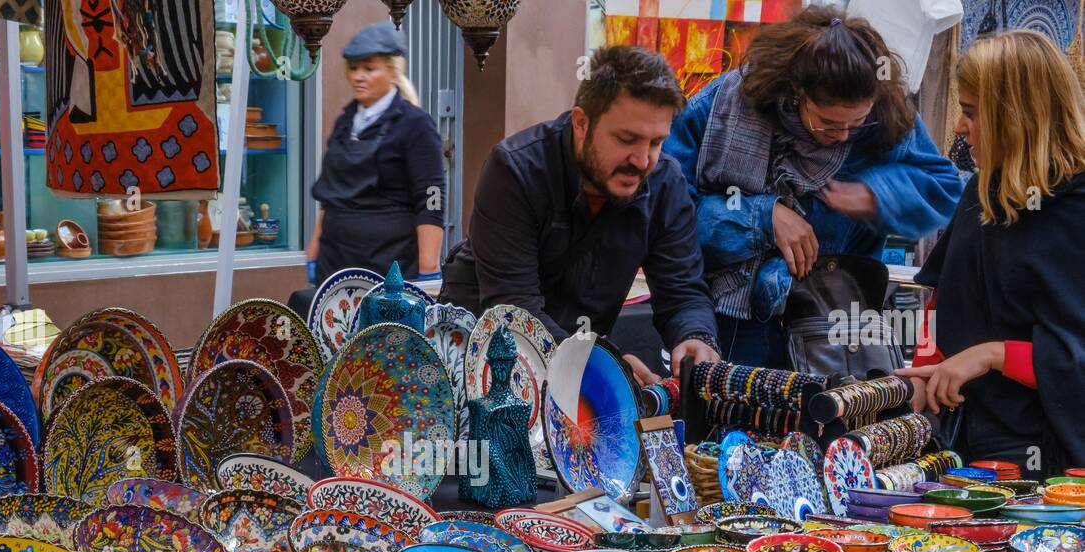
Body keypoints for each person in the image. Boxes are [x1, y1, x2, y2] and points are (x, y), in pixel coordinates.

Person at [664, 6, 963, 369]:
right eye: (828, 123)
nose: (843, 135)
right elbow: (671, 210)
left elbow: (943, 187)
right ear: (796, 90)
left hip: (834, 330)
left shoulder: (888, 117)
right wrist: (762, 216)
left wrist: (878, 194)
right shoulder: (722, 105)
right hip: (729, 324)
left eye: (857, 122)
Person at [440, 46, 721, 385]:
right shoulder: (514, 171)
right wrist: (607, 367)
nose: (643, 160)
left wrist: (695, 334)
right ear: (581, 123)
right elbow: (516, 313)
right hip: (480, 366)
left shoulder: (666, 182)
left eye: (656, 142)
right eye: (626, 139)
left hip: (578, 376)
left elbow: (683, 291)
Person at [896, 30, 1085, 476]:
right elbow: (941, 297)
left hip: (1047, 454)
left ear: (1015, 116)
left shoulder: (1075, 208)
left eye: (971, 113)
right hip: (962, 435)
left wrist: (991, 354)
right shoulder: (983, 194)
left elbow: (1075, 358)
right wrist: (929, 370)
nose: (960, 128)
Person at [304, 21, 445, 289]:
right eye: (354, 68)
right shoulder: (345, 121)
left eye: (370, 69)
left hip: (388, 265)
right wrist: (313, 251)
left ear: (392, 73)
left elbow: (432, 198)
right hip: (334, 261)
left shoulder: (415, 124)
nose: (359, 76)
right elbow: (329, 194)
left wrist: (429, 268)